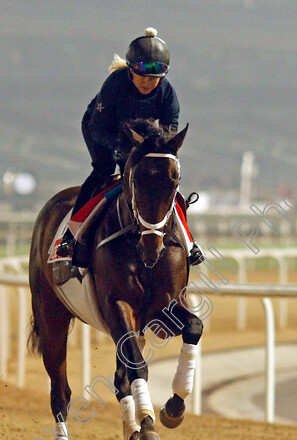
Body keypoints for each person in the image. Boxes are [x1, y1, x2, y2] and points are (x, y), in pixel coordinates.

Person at [56, 27, 205, 267]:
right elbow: (97, 128)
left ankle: (189, 243)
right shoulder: (115, 85)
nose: (148, 82)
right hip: (102, 130)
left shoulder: (168, 96)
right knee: (104, 171)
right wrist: (117, 150)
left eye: (156, 76)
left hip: (138, 138)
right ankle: (71, 236)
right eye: (143, 74)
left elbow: (167, 140)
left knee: (162, 181)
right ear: (130, 71)